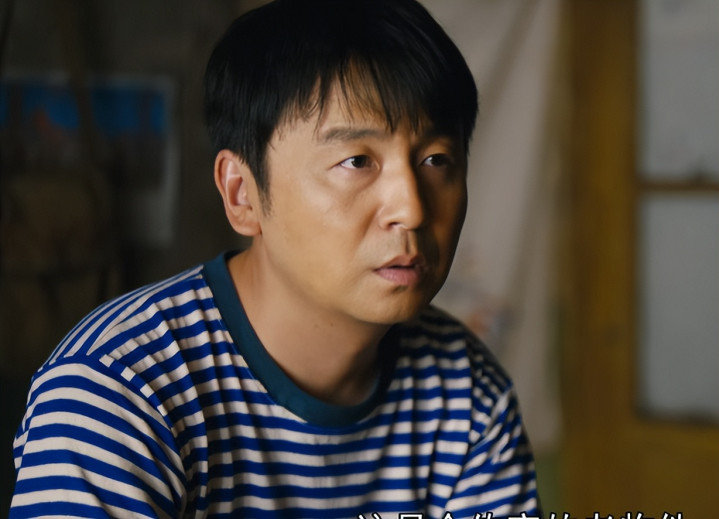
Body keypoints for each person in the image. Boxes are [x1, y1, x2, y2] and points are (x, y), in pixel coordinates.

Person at [9, 0, 541, 517]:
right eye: (357, 160)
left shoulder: (468, 395)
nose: (412, 208)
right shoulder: (118, 391)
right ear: (242, 193)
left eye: (437, 159)